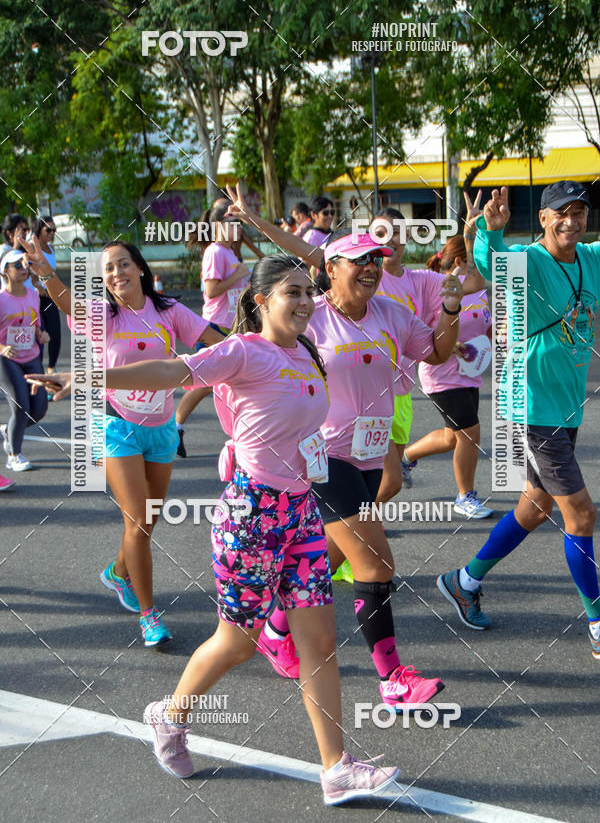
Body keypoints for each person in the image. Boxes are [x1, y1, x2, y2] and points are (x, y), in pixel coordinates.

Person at [33, 256, 400, 804]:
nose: (305, 301)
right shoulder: (243, 351)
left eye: (309, 291)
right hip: (251, 515)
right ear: (262, 301)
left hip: (301, 511)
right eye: (292, 292)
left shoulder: (308, 352)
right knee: (238, 643)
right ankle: (170, 715)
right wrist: (87, 376)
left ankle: (336, 769)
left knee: (320, 641)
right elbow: (172, 372)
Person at [225, 182, 462, 709]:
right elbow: (254, 360)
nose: (372, 267)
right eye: (360, 260)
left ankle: (275, 631)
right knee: (375, 562)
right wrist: (239, 435)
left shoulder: (391, 313)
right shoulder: (309, 315)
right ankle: (392, 679)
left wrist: (449, 308)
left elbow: (438, 353)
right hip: (322, 458)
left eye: (377, 259)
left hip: (369, 456)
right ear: (330, 269)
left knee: (328, 555)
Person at [20, 236, 223, 647]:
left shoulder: (169, 310)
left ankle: (117, 572)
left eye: (124, 264)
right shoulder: (103, 315)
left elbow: (217, 341)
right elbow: (68, 304)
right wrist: (46, 274)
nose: (117, 273)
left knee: (148, 520)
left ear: (140, 268)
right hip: (116, 425)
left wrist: (263, 349)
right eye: (108, 268)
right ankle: (150, 616)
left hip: (162, 429)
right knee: (138, 521)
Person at [436, 181, 600, 659]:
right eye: (562, 213)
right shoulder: (529, 260)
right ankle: (597, 623)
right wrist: (492, 231)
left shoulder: (590, 258)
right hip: (532, 408)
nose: (571, 220)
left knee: (535, 506)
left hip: (564, 406)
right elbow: (492, 265)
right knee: (581, 514)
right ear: (544, 218)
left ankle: (463, 581)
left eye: (579, 212)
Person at [403, 230, 493, 518]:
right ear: (459, 262)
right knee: (470, 433)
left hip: (470, 371)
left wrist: (498, 336)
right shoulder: (438, 289)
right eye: (475, 259)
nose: (481, 264)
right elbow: (420, 330)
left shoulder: (477, 289)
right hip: (441, 374)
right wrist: (450, 345)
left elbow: (485, 324)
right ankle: (465, 496)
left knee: (453, 437)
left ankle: (406, 457)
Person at [174, 202, 249, 459]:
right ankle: (175, 426)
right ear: (219, 226)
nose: (238, 229)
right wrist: (238, 275)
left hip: (232, 326)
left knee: (233, 381)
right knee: (205, 382)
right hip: (214, 326)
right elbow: (211, 290)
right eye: (233, 223)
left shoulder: (229, 252)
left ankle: (242, 436)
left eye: (239, 224)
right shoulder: (215, 251)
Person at [0, 250, 49, 471]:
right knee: (21, 406)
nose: (23, 268)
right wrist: (3, 348)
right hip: (6, 360)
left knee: (38, 409)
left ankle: (9, 430)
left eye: (25, 264)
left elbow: (35, 323)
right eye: (17, 265)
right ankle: (14, 455)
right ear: (5, 271)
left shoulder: (33, 295)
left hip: (31, 356)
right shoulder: (1, 299)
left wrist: (41, 334)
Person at [29, 217, 62, 373]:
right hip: (35, 298)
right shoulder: (32, 247)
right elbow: (30, 271)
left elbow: (53, 273)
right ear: (39, 229)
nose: (51, 233)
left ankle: (51, 368)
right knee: (38, 334)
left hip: (50, 296)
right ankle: (36, 370)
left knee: (55, 332)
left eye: (54, 230)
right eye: (48, 230)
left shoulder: (51, 249)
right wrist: (38, 286)